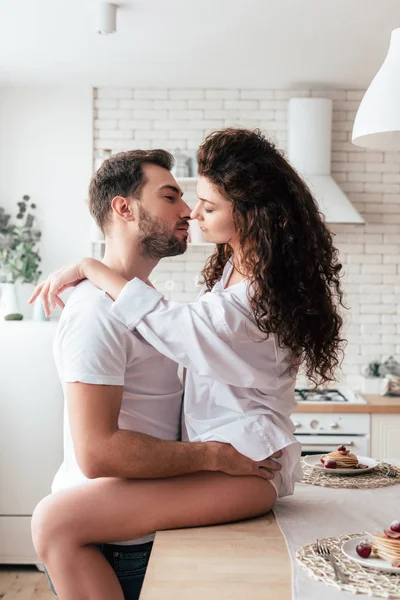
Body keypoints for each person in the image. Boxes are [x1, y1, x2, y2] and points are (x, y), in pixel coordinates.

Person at [31, 128, 345, 600]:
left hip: (245, 459)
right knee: (53, 521)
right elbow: (101, 446)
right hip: (231, 459)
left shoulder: (246, 297)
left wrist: (91, 266)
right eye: (173, 196)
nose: (190, 212)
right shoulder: (223, 277)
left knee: (53, 521)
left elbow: (178, 328)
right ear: (124, 208)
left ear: (249, 214)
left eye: (205, 204)